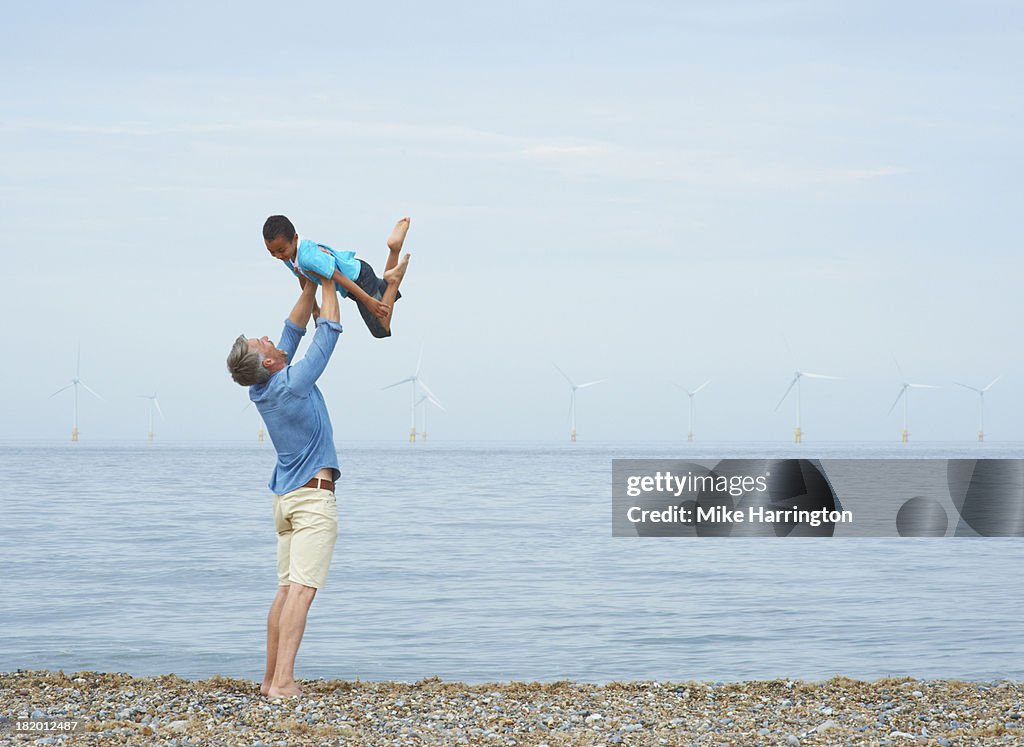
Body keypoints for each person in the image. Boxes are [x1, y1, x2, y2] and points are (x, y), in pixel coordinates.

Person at [225, 273, 342, 699]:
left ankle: (269, 679)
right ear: (270, 362)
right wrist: (328, 281)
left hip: (286, 501)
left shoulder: (262, 389)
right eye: (263, 343)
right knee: (302, 592)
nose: (266, 337)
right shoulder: (292, 384)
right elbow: (326, 334)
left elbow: (293, 330)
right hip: (311, 499)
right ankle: (284, 684)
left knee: (286, 590)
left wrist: (306, 281)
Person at [264, 214, 411, 338]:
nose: (278, 255)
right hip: (356, 274)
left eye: (281, 250)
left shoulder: (307, 257)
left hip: (358, 280)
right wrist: (315, 309)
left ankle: (393, 281)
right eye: (272, 252)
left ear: (295, 238)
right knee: (385, 295)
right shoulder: (290, 256)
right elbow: (303, 279)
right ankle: (394, 248)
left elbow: (337, 276)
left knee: (380, 327)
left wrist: (367, 300)